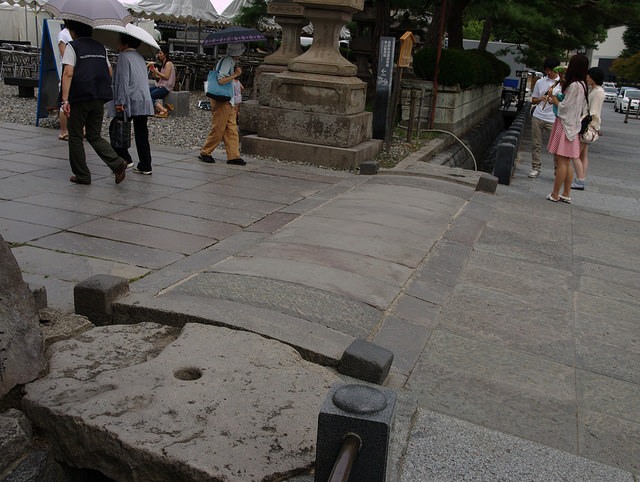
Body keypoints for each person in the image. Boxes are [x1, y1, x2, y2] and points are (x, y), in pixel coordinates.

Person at [60, 20, 127, 185]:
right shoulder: (100, 47)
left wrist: (65, 99)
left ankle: (82, 174)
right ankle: (117, 163)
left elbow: (68, 73)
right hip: (99, 96)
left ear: (74, 32)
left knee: (75, 136)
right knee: (94, 135)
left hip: (79, 96)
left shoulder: (72, 46)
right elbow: (109, 71)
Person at [107, 33, 155, 175]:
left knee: (116, 129)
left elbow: (123, 81)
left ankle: (125, 159)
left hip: (130, 99)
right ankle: (145, 164)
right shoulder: (140, 57)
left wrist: (120, 102)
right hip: (143, 99)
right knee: (141, 133)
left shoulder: (123, 57)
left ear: (125, 44)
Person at [546, 53, 589, 203]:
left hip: (564, 125)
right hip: (573, 126)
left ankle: (555, 193)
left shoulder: (574, 85)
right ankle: (566, 193)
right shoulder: (583, 84)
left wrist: (553, 97)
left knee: (561, 162)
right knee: (567, 161)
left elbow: (564, 107)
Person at [199, 43, 246, 166]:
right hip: (222, 100)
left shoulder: (227, 60)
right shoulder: (228, 61)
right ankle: (205, 152)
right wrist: (235, 75)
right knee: (219, 128)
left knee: (231, 128)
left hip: (227, 100)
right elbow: (221, 80)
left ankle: (233, 156)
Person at [571, 67, 605, 190]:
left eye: (588, 76)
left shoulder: (598, 92)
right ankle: (581, 178)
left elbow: (593, 112)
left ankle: (580, 180)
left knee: (575, 154)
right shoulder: (594, 90)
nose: (586, 78)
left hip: (587, 126)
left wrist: (580, 121)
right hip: (590, 126)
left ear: (592, 77)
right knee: (583, 155)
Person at [528, 57, 560, 178]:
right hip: (538, 115)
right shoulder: (540, 82)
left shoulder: (561, 84)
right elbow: (533, 100)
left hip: (552, 118)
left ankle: (558, 169)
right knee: (536, 143)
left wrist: (554, 100)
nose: (549, 73)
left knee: (555, 146)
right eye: (547, 70)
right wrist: (540, 99)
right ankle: (535, 167)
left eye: (551, 70)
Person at [148, 44, 175, 117]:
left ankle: (163, 110)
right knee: (146, 91)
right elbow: (159, 77)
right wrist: (154, 71)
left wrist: (157, 72)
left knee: (149, 96)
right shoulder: (163, 63)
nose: (159, 55)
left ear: (165, 54)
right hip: (160, 85)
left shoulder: (168, 64)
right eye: (158, 53)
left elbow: (166, 77)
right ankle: (155, 108)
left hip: (166, 87)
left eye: (161, 53)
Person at [57, 24, 72, 140]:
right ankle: (63, 130)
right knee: (65, 101)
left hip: (74, 70)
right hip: (67, 70)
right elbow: (64, 55)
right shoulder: (63, 35)